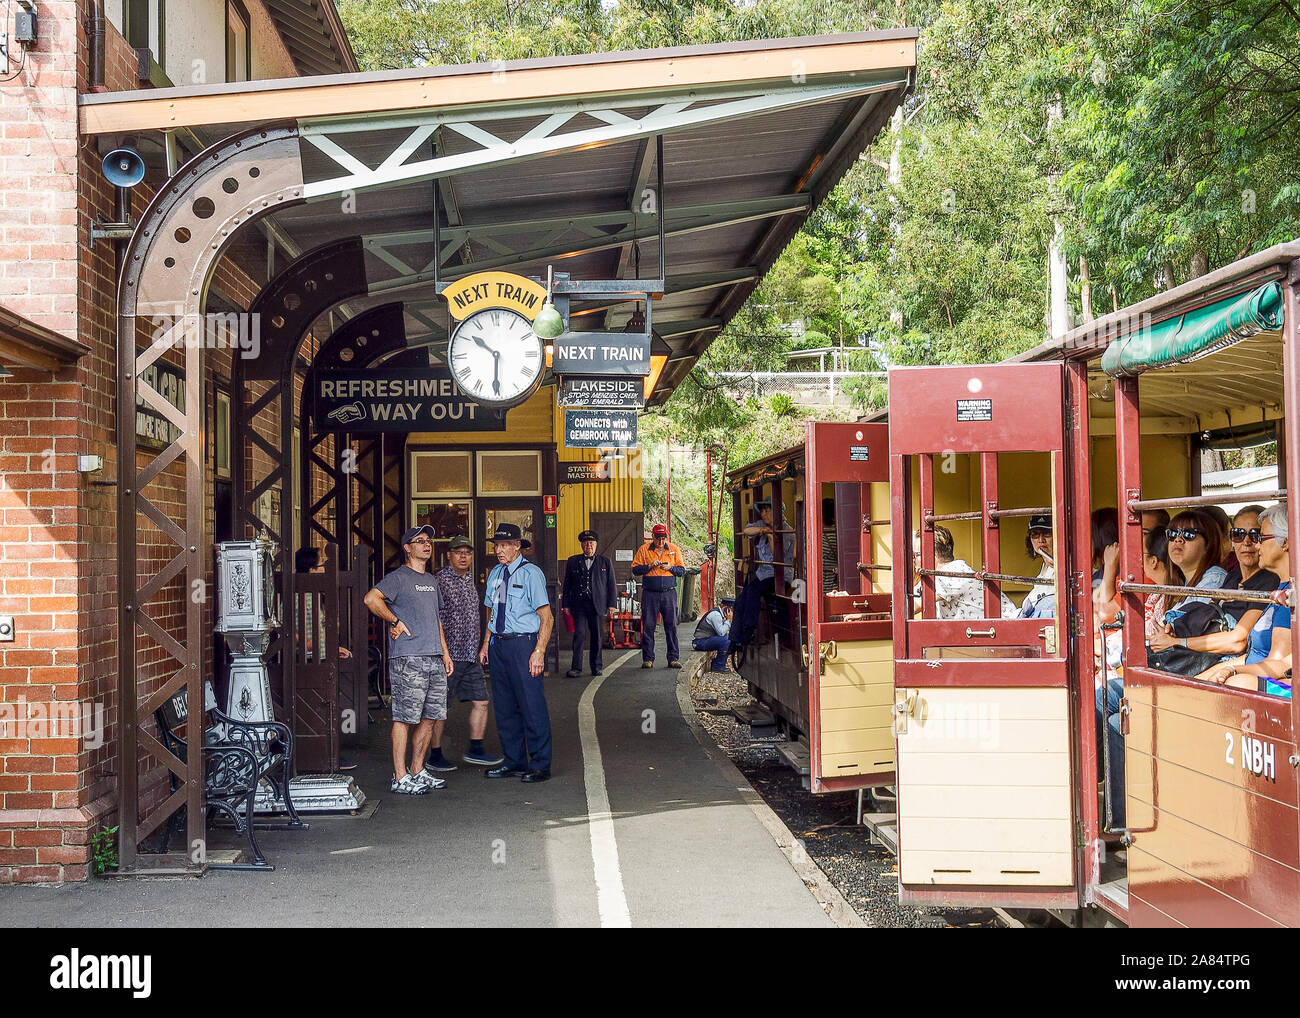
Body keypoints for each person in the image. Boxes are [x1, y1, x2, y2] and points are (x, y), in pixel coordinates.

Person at [363, 525, 455, 795]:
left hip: (433, 657)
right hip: (408, 657)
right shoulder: (398, 578)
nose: (427, 545)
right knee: (404, 718)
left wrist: (445, 653)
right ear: (407, 547)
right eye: (420, 541)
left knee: (430, 717)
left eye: (429, 541)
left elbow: (435, 619)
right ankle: (399, 776)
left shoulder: (432, 581)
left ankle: (417, 769)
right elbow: (371, 599)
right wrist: (395, 620)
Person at [1148, 505, 1278, 659]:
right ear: (1231, 540)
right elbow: (1206, 618)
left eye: (1255, 535)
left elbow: (1237, 640)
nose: (1246, 541)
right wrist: (1176, 630)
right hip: (1204, 657)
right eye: (1238, 534)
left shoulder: (1268, 581)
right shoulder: (1233, 577)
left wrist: (1177, 642)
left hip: (1225, 661)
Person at [480, 523, 555, 783]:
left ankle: (540, 764)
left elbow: (546, 617)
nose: (499, 550)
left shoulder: (531, 574)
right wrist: (486, 643)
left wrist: (539, 651)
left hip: (523, 645)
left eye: (504, 545)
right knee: (505, 707)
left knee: (531, 705)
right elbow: (491, 609)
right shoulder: (496, 574)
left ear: (517, 546)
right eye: (496, 545)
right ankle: (514, 761)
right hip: (499, 645)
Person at [1198, 502, 1292, 695]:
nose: (1255, 545)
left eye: (1261, 537)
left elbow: (1279, 663)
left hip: (1272, 682)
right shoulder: (1281, 588)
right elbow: (1252, 656)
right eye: (1238, 534)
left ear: (1286, 541)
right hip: (1252, 669)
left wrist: (1233, 672)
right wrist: (1203, 678)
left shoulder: (1290, 594)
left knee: (1237, 683)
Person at [428, 534, 504, 769]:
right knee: (440, 707)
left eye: (467, 552)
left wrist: (483, 646)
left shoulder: (469, 579)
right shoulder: (439, 581)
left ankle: (476, 749)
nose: (463, 556)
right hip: (449, 656)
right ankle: (435, 754)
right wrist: (443, 653)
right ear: (448, 555)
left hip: (471, 655)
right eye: (458, 552)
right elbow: (434, 619)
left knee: (481, 701)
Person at [296, 545, 357, 771]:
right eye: (321, 565)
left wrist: (333, 646)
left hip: (320, 656)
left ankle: (329, 753)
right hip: (310, 660)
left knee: (329, 706)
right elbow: (294, 634)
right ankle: (325, 755)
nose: (325, 570)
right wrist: (319, 645)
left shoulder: (312, 596)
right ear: (311, 571)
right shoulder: (300, 599)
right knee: (323, 708)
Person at [911, 525, 1016, 619]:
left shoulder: (953, 572)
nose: (913, 559)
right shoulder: (937, 576)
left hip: (1010, 633)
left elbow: (912, 606)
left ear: (932, 555)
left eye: (916, 554)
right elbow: (910, 596)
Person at [561, 528, 618, 677]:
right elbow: (566, 585)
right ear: (581, 545)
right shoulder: (573, 561)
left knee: (596, 637)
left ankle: (596, 667)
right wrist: (565, 605)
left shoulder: (605, 562)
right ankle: (576, 667)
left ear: (596, 544)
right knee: (579, 635)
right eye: (586, 543)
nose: (589, 546)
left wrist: (612, 605)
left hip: (597, 604)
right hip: (578, 605)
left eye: (591, 543)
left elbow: (611, 585)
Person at [632, 523, 686, 669]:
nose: (661, 542)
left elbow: (682, 570)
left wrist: (670, 568)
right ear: (653, 537)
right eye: (658, 539)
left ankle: (673, 658)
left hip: (669, 593)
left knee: (671, 626)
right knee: (649, 626)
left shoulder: (674, 549)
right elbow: (635, 570)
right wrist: (649, 566)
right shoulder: (644, 550)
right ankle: (648, 659)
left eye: (663, 539)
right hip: (650, 593)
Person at [1164, 508, 1228, 611]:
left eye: (1188, 534)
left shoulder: (1215, 579)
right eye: (1173, 534)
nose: (1178, 539)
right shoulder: (1184, 582)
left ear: (1208, 545)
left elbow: (1192, 623)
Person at [1018, 514, 1056, 618]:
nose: (1041, 540)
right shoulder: (1045, 566)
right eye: (1035, 535)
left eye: (1047, 534)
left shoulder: (1068, 564)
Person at [693, 597, 734, 672]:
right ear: (726, 609)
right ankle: (718, 666)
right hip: (700, 642)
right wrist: (728, 620)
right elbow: (721, 633)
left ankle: (717, 663)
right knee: (727, 641)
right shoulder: (716, 615)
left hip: (706, 640)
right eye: (731, 610)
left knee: (729, 638)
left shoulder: (721, 615)